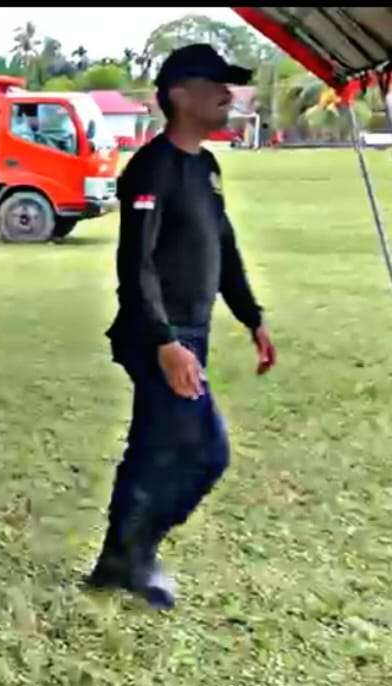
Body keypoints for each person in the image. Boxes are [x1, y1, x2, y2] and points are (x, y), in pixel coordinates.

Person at [86, 44, 278, 610]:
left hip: (192, 331)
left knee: (150, 447)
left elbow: (223, 245)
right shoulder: (151, 168)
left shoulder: (206, 167)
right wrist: (166, 342)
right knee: (206, 451)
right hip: (156, 336)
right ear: (179, 95)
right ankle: (137, 553)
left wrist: (252, 317)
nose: (227, 94)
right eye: (215, 84)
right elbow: (136, 265)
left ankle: (114, 561)